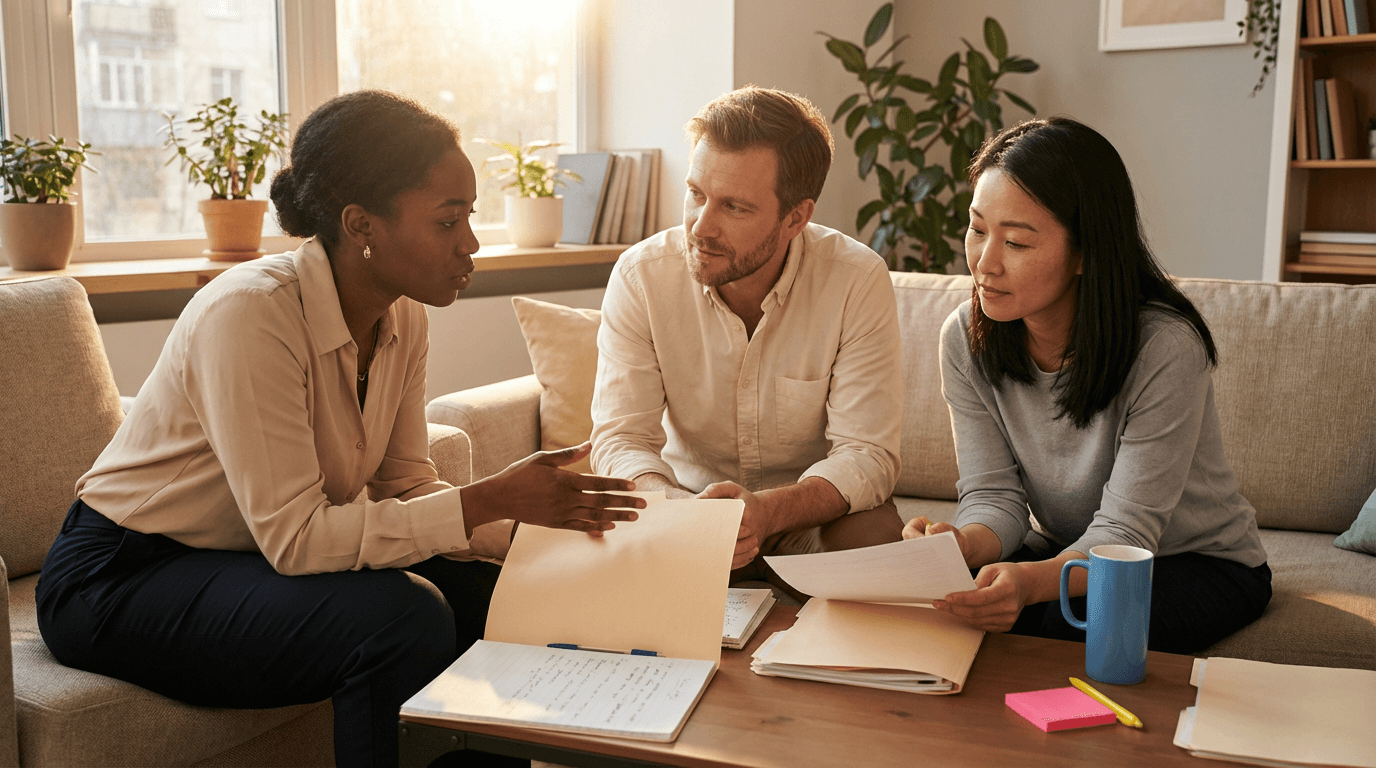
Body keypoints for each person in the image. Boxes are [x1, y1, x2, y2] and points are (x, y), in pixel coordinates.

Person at [35, 90, 644, 768]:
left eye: (469, 217)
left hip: (240, 559)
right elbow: (297, 539)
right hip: (119, 577)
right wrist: (489, 500)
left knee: (494, 597)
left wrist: (537, 529)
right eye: (448, 222)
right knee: (399, 617)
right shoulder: (251, 316)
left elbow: (407, 484)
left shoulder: (403, 316)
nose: (470, 244)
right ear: (362, 226)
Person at [905, 116, 1271, 653]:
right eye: (978, 229)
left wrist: (1030, 584)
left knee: (1066, 630)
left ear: (1083, 254)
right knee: (949, 610)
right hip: (1064, 550)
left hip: (1195, 562)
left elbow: (1125, 535)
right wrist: (960, 546)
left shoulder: (1163, 349)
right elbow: (994, 496)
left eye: (1018, 243)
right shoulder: (965, 338)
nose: (985, 262)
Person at [590, 86, 904, 579]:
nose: (700, 227)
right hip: (684, 509)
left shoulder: (856, 279)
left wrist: (768, 511)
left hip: (809, 515)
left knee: (876, 545)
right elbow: (620, 439)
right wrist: (675, 507)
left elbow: (867, 455)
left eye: (734, 207)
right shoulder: (641, 276)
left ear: (795, 217)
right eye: (696, 194)